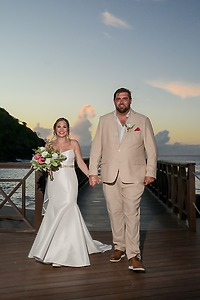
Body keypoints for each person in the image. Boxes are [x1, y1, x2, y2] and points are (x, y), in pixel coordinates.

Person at [89, 88, 157, 273]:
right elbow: (97, 147)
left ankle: (134, 255)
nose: (121, 102)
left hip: (134, 175)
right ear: (114, 101)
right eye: (118, 99)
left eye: (124, 99)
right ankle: (119, 246)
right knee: (114, 212)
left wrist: (150, 171)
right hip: (110, 174)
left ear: (130, 101)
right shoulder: (103, 120)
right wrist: (92, 172)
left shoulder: (142, 120)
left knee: (132, 213)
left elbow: (151, 149)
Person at [28, 117, 111, 267]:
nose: (61, 129)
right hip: (55, 181)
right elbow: (43, 164)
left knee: (68, 206)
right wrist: (44, 165)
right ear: (55, 129)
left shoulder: (73, 143)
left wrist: (91, 176)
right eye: (59, 126)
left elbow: (80, 162)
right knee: (55, 211)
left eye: (64, 127)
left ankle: (64, 251)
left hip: (69, 180)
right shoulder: (49, 145)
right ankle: (54, 250)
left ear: (68, 129)